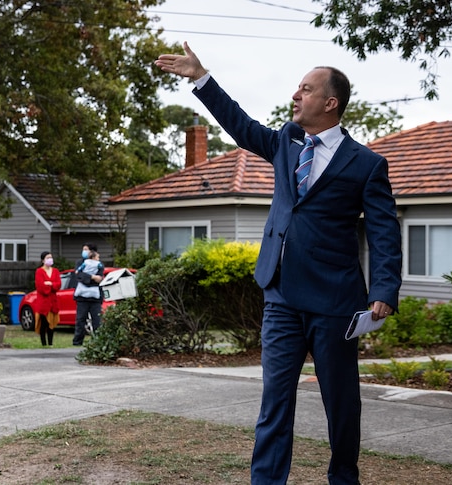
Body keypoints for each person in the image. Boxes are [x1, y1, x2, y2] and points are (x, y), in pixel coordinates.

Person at [155, 43, 402, 484]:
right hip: (281, 296)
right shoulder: (286, 142)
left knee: (341, 405)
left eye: (305, 90)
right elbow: (240, 125)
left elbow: (384, 232)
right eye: (296, 88)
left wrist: (383, 290)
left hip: (335, 304)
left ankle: (344, 476)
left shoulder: (366, 164)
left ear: (330, 103)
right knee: (275, 402)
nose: (295, 95)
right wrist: (201, 78)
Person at [72, 249, 104, 346]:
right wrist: (92, 277)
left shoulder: (99, 265)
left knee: (97, 320)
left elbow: (100, 278)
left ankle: (98, 341)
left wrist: (87, 278)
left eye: (86, 249)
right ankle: (77, 341)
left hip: (95, 298)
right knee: (80, 319)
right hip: (82, 298)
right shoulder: (81, 263)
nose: (84, 251)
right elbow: (78, 276)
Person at [33, 251, 61, 347]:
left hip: (53, 301)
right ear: (43, 260)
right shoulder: (39, 271)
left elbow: (58, 285)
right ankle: (44, 343)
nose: (50, 259)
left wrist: (50, 284)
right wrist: (50, 286)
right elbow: (40, 286)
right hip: (43, 302)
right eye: (48, 257)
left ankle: (50, 343)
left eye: (51, 257)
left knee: (52, 323)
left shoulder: (56, 271)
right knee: (44, 323)